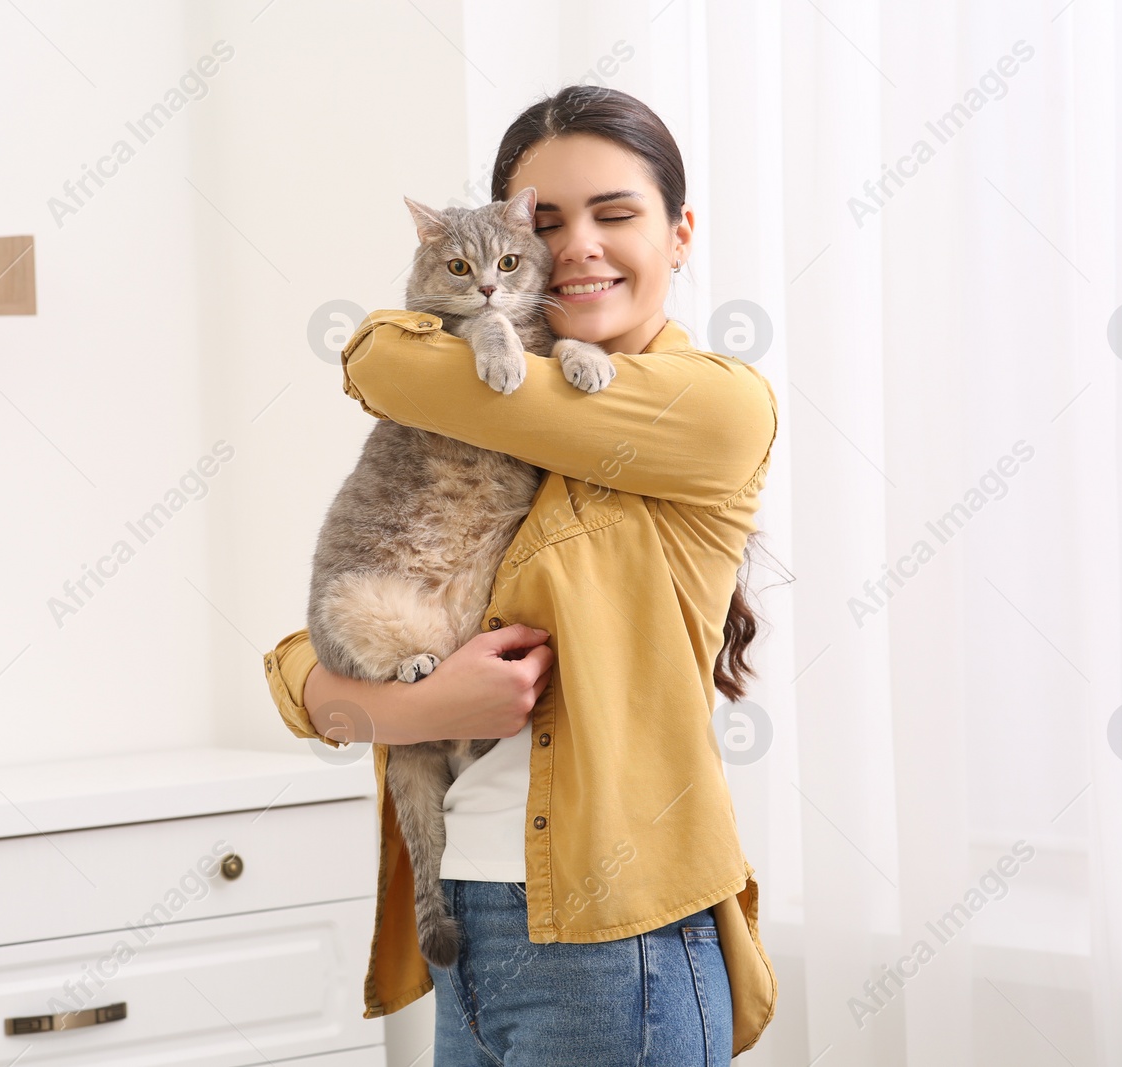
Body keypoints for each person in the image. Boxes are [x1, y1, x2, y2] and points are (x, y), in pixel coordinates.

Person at [264, 85, 779, 1066]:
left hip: (611, 937)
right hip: (469, 916)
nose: (578, 245)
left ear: (679, 233)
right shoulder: (485, 412)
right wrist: (417, 706)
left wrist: (365, 704)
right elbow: (297, 672)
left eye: (616, 213)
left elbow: (381, 357)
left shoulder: (718, 408)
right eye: (549, 221)